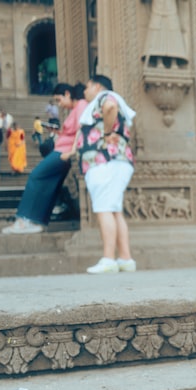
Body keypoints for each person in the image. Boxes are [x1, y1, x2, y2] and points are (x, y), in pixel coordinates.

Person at [2, 83, 88, 235]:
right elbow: (72, 131)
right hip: (62, 149)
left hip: (64, 152)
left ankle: (24, 220)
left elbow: (82, 128)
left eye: (59, 100)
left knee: (36, 176)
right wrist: (58, 132)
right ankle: (38, 221)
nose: (59, 105)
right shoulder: (75, 109)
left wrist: (73, 151)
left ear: (67, 94)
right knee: (50, 184)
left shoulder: (81, 104)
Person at [74, 74, 137, 274]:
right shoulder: (112, 98)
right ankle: (125, 258)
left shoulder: (105, 97)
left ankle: (109, 258)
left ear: (97, 86)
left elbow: (110, 107)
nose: (84, 92)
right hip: (117, 160)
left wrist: (108, 132)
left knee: (103, 209)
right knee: (114, 209)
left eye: (87, 86)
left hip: (104, 161)